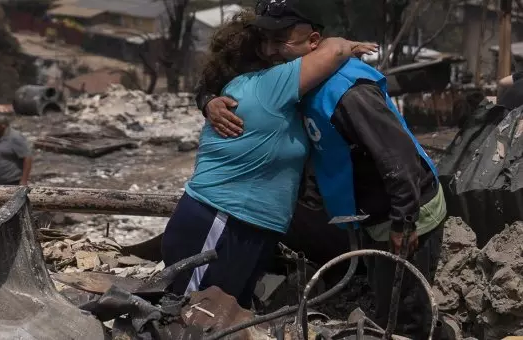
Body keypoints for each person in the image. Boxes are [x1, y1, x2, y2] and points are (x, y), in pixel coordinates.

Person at [196, 0, 447, 337]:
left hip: (404, 212)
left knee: (406, 316)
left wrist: (404, 221)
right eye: (265, 40)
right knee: (389, 301)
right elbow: (220, 74)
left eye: (281, 40)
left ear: (314, 43)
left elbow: (397, 156)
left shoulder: (347, 91)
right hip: (371, 212)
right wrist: (207, 101)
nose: (270, 51)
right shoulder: (297, 79)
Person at [162, 9, 376, 309]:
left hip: (247, 228)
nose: (276, 49)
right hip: (221, 224)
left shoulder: (258, 92)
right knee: (190, 318)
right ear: (258, 51)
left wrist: (206, 100)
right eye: (270, 42)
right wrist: (347, 44)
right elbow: (335, 50)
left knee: (223, 320)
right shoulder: (267, 86)